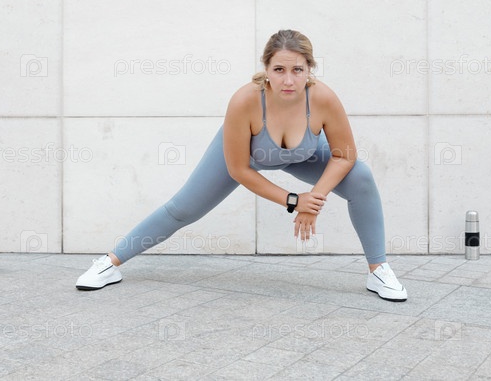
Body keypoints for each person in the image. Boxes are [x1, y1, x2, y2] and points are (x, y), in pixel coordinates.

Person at [75, 29, 407, 302]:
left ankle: (378, 271)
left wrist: (314, 201)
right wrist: (295, 201)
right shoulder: (245, 101)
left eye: (297, 70)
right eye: (279, 70)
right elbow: (238, 170)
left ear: (310, 69)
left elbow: (344, 155)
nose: (288, 80)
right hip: (248, 156)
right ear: (266, 69)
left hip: (304, 156)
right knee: (182, 209)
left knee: (360, 177)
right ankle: (109, 263)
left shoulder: (322, 99)